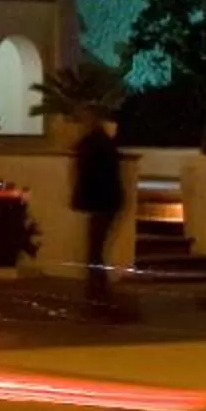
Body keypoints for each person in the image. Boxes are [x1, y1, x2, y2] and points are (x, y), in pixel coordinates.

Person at [68, 103, 126, 317]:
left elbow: (91, 175)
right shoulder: (101, 143)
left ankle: (98, 294)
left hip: (102, 203)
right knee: (95, 251)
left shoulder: (95, 144)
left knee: (94, 251)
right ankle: (97, 293)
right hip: (105, 202)